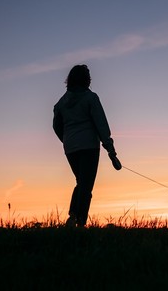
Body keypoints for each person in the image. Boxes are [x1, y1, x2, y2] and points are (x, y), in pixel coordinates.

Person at [53, 64, 122, 227]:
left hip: (70, 147)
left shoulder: (61, 103)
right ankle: (78, 221)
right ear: (86, 80)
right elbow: (101, 125)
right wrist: (111, 150)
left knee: (81, 181)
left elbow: (56, 126)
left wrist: (66, 140)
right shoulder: (91, 98)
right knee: (86, 184)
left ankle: (73, 217)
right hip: (89, 146)